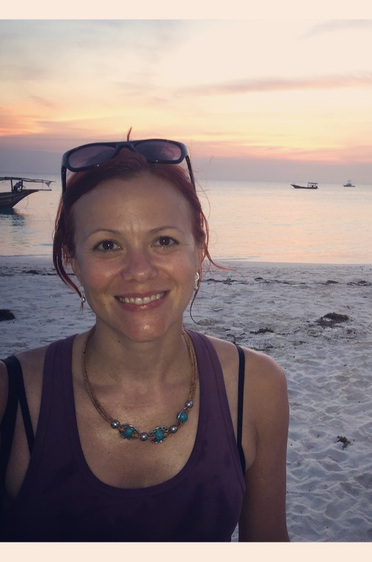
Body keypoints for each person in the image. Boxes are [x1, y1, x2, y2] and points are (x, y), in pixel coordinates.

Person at [0, 135, 290, 541]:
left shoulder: (255, 385)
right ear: (72, 259)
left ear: (198, 247)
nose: (139, 270)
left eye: (164, 241)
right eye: (107, 245)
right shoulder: (10, 396)